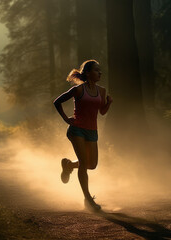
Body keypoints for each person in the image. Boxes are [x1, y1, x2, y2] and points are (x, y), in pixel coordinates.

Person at [53, 60, 112, 211]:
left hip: (92, 131)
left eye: (100, 70)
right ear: (87, 73)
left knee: (92, 164)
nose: (100, 73)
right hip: (77, 130)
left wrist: (108, 103)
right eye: (96, 70)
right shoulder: (78, 90)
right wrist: (66, 119)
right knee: (84, 164)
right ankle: (88, 200)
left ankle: (68, 165)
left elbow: (102, 112)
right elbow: (57, 102)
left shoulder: (102, 90)